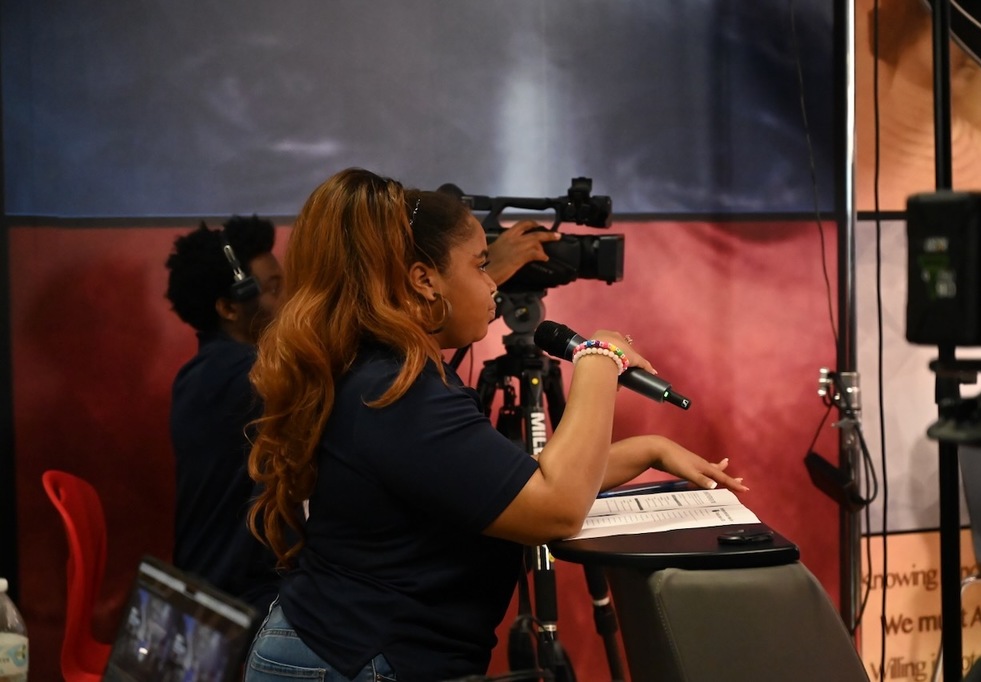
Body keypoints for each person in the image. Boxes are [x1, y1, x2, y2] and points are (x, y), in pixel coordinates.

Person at [243, 168, 747, 682]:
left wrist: (648, 449)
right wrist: (597, 358)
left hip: (338, 650)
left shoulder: (386, 373)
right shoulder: (397, 391)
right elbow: (554, 509)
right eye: (481, 265)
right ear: (424, 280)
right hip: (356, 662)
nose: (491, 284)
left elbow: (501, 482)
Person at [164, 215, 285, 614]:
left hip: (223, 591)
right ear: (229, 307)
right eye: (273, 289)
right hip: (233, 608)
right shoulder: (241, 377)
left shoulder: (201, 374)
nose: (288, 299)